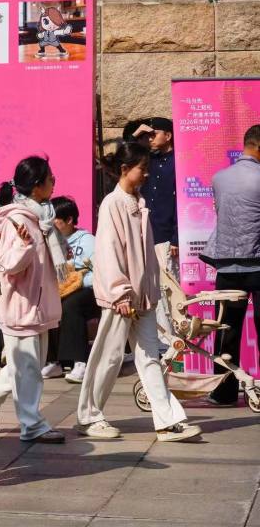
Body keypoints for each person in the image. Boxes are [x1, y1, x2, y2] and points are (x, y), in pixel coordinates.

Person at [76, 141, 201, 442]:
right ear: (124, 169)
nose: (146, 174)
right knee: (109, 357)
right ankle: (89, 417)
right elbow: (108, 253)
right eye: (142, 168)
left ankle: (168, 421)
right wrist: (120, 293)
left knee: (149, 358)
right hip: (121, 299)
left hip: (143, 298)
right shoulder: (113, 204)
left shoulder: (139, 203)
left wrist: (150, 290)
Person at [0, 156, 66, 444]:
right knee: (28, 371)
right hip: (21, 307)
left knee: (25, 368)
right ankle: (32, 425)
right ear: (37, 185)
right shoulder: (18, 219)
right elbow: (9, 265)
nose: (54, 183)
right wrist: (27, 246)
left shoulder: (40, 218)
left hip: (36, 306)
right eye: (50, 179)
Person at [200, 124, 260, 406]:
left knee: (227, 330)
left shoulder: (219, 177)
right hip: (257, 265)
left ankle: (223, 391)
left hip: (226, 267)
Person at [43, 195, 99, 384]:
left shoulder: (88, 241)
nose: (51, 225)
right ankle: (53, 362)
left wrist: (77, 281)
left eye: (55, 220)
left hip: (89, 290)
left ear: (69, 220)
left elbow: (100, 271)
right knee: (49, 303)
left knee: (71, 305)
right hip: (61, 290)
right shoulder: (49, 241)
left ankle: (80, 362)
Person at [134, 118, 178, 333]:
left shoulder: (179, 161)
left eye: (154, 134)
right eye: (148, 136)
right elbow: (126, 154)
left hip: (167, 237)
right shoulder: (147, 161)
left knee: (171, 289)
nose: (150, 138)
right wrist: (137, 135)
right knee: (153, 289)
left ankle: (176, 339)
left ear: (168, 136)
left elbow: (182, 202)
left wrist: (177, 238)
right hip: (145, 235)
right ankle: (162, 340)